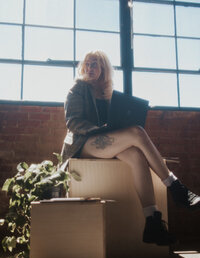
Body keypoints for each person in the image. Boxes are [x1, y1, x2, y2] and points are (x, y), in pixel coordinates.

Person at [61, 50, 200, 246]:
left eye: (95, 64)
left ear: (103, 69)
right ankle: (176, 188)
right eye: (88, 64)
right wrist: (101, 130)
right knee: (137, 132)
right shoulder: (78, 88)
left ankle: (152, 223)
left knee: (136, 155)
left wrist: (114, 129)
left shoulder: (109, 94)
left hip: (104, 143)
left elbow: (116, 122)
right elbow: (73, 122)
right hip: (82, 144)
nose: (90, 68)